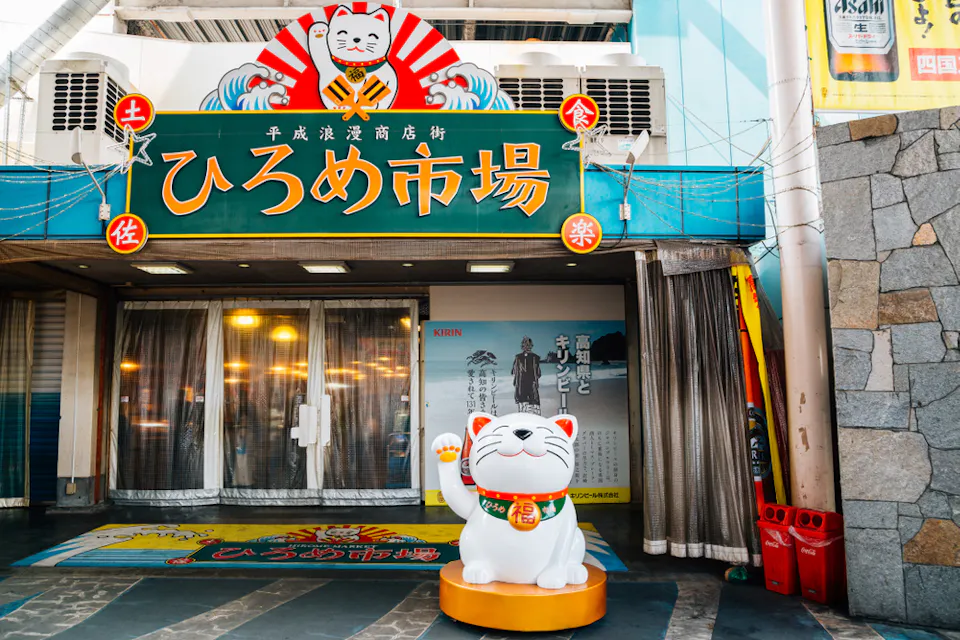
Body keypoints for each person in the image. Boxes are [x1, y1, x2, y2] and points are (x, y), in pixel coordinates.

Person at [512, 336, 542, 415]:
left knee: (523, 409)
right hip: (532, 385)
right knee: (534, 408)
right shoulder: (536, 357)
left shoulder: (518, 357)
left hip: (521, 386)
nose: (526, 346)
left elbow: (514, 372)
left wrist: (515, 382)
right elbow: (538, 373)